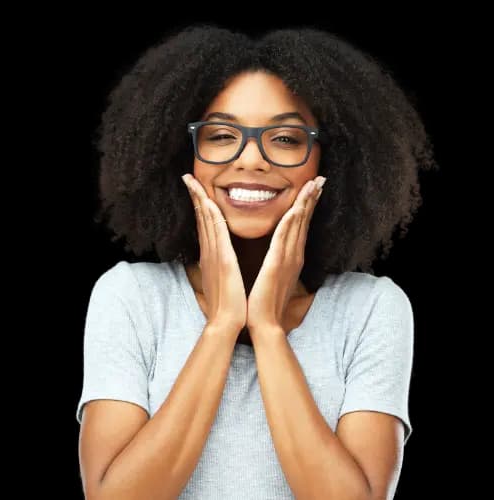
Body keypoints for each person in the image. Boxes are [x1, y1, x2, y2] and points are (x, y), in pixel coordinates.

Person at [76, 24, 437, 499]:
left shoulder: (371, 309)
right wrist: (223, 325)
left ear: (329, 161)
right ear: (183, 153)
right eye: (222, 135)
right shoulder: (131, 296)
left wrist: (267, 329)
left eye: (286, 139)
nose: (251, 160)